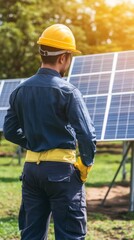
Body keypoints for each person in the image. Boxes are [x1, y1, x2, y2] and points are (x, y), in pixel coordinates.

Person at [3, 24, 96, 240]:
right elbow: (87, 135)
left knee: (32, 234)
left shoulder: (19, 90)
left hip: (31, 173)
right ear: (63, 58)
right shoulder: (68, 91)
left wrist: (35, 144)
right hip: (62, 173)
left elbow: (9, 131)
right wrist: (85, 165)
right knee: (70, 234)